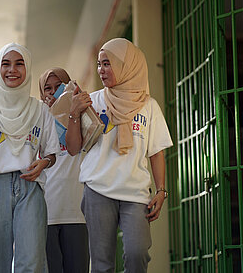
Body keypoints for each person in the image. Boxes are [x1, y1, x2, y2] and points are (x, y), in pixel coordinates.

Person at [66, 38, 173, 273]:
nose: (101, 70)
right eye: (99, 64)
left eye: (108, 63)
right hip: (98, 189)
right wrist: (74, 113)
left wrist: (161, 190)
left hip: (135, 193)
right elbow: (73, 148)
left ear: (128, 65)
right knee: (102, 264)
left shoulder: (149, 106)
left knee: (138, 254)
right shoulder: (92, 101)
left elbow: (156, 152)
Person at [0, 42, 60, 273]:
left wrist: (43, 162)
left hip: (30, 187)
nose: (12, 70)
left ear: (28, 69)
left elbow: (51, 153)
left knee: (32, 262)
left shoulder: (39, 109)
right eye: (5, 64)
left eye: (19, 64)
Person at [38, 68, 90, 273]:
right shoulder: (37, 119)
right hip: (47, 212)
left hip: (76, 212)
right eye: (47, 89)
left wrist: (71, 109)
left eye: (58, 86)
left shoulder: (83, 116)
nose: (52, 93)